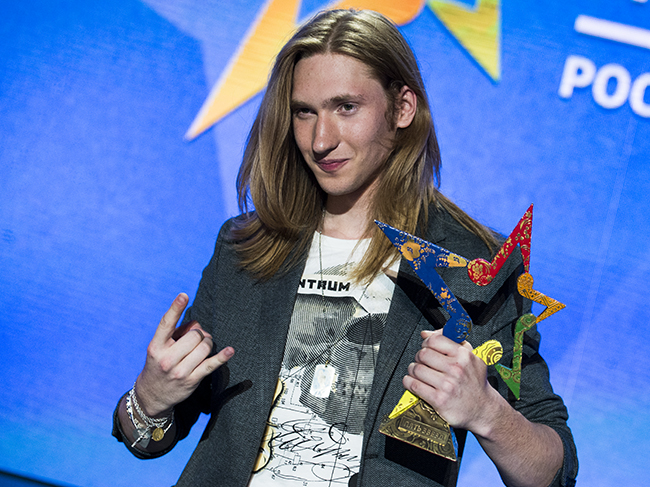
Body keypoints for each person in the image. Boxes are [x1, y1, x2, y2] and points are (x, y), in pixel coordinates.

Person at [113, 8, 577, 487]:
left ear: (402, 108)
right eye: (304, 112)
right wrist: (149, 398)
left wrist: (487, 413)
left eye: (346, 107)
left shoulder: (474, 267)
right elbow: (148, 438)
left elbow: (553, 472)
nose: (321, 139)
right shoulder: (246, 247)